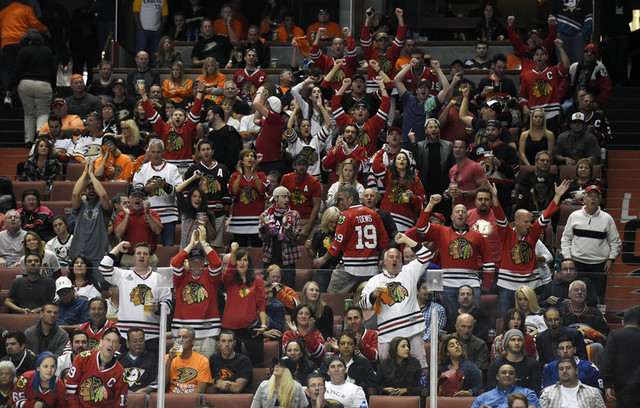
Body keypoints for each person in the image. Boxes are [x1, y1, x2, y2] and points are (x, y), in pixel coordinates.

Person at [492, 180, 570, 316]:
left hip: (530, 286)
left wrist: (557, 196)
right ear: (517, 221)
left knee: (531, 318)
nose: (530, 224)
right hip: (507, 286)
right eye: (526, 221)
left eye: (530, 221)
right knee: (506, 317)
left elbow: (546, 216)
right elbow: (499, 216)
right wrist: (494, 198)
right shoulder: (506, 233)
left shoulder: (533, 233)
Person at [360, 233, 432, 368]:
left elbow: (426, 254)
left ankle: (422, 389)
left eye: (398, 257)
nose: (395, 260)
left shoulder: (410, 270)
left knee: (421, 368)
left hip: (412, 330)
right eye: (391, 257)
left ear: (402, 260)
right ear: (384, 262)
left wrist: (406, 240)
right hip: (387, 335)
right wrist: (373, 296)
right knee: (386, 371)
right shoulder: (374, 281)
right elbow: (363, 304)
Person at [416, 194, 495, 314]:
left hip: (471, 282)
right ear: (452, 217)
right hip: (448, 283)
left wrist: (487, 282)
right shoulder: (441, 231)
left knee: (475, 317)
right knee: (452, 319)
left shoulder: (477, 235)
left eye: (463, 211)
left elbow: (488, 260)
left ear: (467, 217)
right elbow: (421, 227)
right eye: (457, 211)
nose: (460, 214)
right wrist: (431, 204)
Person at [313, 185, 390, 294]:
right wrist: (382, 259)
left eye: (342, 199)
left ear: (351, 199)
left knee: (332, 295)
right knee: (367, 297)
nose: (341, 202)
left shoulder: (345, 216)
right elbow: (384, 241)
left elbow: (337, 243)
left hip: (350, 267)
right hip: (371, 267)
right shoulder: (374, 214)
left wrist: (323, 259)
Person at [99, 241, 172, 352]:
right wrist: (117, 248)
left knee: (151, 369)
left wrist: (158, 307)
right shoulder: (123, 275)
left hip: (151, 336)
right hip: (125, 335)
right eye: (138, 253)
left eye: (145, 254)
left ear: (150, 258)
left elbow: (168, 303)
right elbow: (104, 267)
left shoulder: (160, 278)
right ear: (133, 258)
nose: (142, 256)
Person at [561, 184, 620, 303]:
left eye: (596, 196)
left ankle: (598, 318)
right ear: (584, 199)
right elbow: (566, 239)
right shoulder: (574, 216)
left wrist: (611, 259)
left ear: (600, 200)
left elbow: (615, 242)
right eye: (590, 196)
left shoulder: (607, 218)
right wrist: (568, 258)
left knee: (597, 297)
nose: (593, 199)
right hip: (577, 263)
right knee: (576, 294)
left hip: (599, 265)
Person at [171, 227, 223, 360]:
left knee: (205, 368)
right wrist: (191, 245)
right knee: (182, 366)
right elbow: (175, 263)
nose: (197, 264)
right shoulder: (181, 276)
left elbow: (217, 263)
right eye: (193, 261)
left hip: (207, 332)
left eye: (200, 261)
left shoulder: (210, 276)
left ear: (204, 262)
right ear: (188, 263)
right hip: (182, 332)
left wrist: (204, 243)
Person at [222, 243, 268, 367]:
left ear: (249, 263)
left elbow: (261, 305)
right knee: (231, 365)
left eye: (245, 260)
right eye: (239, 260)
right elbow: (228, 271)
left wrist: (263, 325)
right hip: (230, 329)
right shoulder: (229, 280)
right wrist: (233, 252)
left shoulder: (257, 281)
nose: (242, 263)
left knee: (259, 364)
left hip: (251, 328)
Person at [132, 139, 183, 246]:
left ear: (163, 152)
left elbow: (178, 190)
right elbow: (135, 192)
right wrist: (146, 189)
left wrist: (165, 186)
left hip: (168, 215)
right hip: (148, 215)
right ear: (149, 152)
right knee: (146, 247)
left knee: (168, 247)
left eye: (158, 152)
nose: (155, 155)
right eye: (153, 152)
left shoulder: (172, 168)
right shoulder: (143, 169)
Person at [68, 161, 111, 281]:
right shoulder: (81, 205)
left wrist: (92, 175)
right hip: (79, 255)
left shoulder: (104, 207)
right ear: (85, 190)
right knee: (78, 288)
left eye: (94, 188)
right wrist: (85, 172)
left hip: (99, 255)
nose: (91, 191)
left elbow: (103, 195)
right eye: (88, 188)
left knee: (99, 289)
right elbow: (75, 193)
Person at [11, 29, 55, 146]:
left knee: (29, 113)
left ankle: (28, 140)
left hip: (25, 84)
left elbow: (17, 71)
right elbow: (53, 71)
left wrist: (10, 87)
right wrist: (54, 88)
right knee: (43, 112)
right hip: (43, 84)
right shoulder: (47, 51)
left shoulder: (23, 51)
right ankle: (40, 133)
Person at [518, 39, 570, 135]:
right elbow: (522, 97)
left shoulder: (553, 71)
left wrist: (560, 48)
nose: (539, 56)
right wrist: (525, 107)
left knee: (552, 141)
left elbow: (566, 66)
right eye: (537, 54)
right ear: (533, 58)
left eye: (542, 54)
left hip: (552, 113)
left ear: (546, 57)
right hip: (534, 114)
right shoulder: (526, 76)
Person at [65, 327, 127, 408]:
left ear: (118, 347)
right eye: (108, 340)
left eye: (114, 342)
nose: (110, 345)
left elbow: (120, 405)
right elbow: (70, 390)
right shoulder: (82, 358)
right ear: (101, 342)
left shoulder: (121, 374)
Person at [331, 76, 390, 158]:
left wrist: (381, 85)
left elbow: (386, 105)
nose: (360, 110)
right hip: (348, 163)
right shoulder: (346, 121)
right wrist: (344, 86)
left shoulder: (374, 123)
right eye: (357, 108)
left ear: (368, 114)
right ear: (353, 113)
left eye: (364, 108)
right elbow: (335, 105)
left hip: (368, 163)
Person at [258, 186, 301, 287]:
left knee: (289, 290)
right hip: (270, 258)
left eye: (288, 197)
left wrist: (286, 226)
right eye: (284, 197)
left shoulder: (294, 215)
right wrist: (267, 226)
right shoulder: (265, 215)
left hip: (288, 260)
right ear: (276, 198)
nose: (287, 200)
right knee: (268, 289)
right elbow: (263, 238)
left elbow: (296, 237)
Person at [227, 148, 268, 247]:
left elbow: (262, 190)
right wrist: (240, 175)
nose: (250, 158)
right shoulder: (235, 176)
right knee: (240, 250)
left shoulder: (261, 175)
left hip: (257, 220)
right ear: (241, 161)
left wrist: (254, 174)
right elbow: (234, 192)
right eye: (247, 156)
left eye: (252, 156)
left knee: (257, 249)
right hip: (239, 221)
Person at [602, 305, 640, 407]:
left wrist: (608, 385)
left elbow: (607, 362)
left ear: (623, 322)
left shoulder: (615, 336)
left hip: (624, 391)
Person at [285, 101, 331, 181]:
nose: (306, 127)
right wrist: (295, 110)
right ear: (299, 129)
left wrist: (320, 106)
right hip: (299, 177)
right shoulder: (295, 141)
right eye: (303, 126)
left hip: (315, 177)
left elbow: (328, 124)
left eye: (308, 126)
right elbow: (289, 127)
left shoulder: (316, 139)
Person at [279, 154, 322, 239]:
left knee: (310, 244)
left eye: (305, 164)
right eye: (299, 164)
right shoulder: (286, 179)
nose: (302, 167)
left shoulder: (314, 182)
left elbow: (316, 206)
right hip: (290, 218)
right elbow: (280, 199)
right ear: (294, 166)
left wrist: (308, 227)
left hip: (308, 219)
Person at [488, 329, 542, 395]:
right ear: (507, 343)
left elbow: (536, 390)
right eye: (513, 340)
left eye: (519, 340)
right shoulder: (496, 365)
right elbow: (491, 390)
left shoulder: (533, 365)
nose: (517, 343)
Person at [540, 358, 606, 407]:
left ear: (576, 371)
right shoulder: (547, 393)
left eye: (568, 368)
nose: (564, 371)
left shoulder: (593, 393)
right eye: (561, 369)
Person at [165, 326, 212, 394]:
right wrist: (170, 360)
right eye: (179, 337)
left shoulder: (202, 361)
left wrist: (185, 401)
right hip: (172, 398)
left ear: (193, 341)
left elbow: (201, 391)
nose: (181, 340)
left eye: (185, 337)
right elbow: (162, 387)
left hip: (192, 400)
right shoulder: (167, 358)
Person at [471, 363, 541, 408]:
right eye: (504, 373)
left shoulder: (528, 394)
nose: (507, 375)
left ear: (515, 377)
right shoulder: (482, 398)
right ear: (497, 377)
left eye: (511, 373)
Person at [447, 138, 489, 210]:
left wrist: (464, 193)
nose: (457, 150)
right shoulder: (452, 170)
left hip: (473, 209)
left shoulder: (475, 167)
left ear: (467, 150)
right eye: (455, 147)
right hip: (458, 211)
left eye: (461, 147)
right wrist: (447, 192)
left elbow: (485, 188)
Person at [306, 207, 341, 293]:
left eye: (336, 222)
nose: (334, 225)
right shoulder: (319, 233)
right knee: (321, 294)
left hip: (339, 270)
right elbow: (312, 255)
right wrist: (307, 248)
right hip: (323, 270)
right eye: (331, 222)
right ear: (326, 221)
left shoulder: (342, 233)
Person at [118, 327, 157, 393]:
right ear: (127, 343)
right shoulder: (118, 359)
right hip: (122, 395)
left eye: (141, 340)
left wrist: (139, 393)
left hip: (144, 396)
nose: (138, 344)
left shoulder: (153, 358)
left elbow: (155, 383)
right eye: (134, 341)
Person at [417, 277, 447, 343]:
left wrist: (418, 345)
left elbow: (432, 333)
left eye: (431, 289)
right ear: (417, 291)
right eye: (425, 288)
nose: (429, 291)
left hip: (429, 347)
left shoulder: (438, 309)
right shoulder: (410, 308)